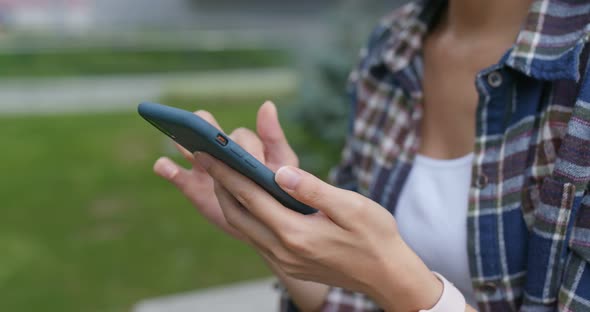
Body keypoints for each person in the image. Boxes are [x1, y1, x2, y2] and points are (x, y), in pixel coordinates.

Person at [152, 0, 590, 310]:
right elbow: (355, 296)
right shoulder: (393, 46)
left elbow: (384, 280)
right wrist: (276, 232)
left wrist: (397, 282)